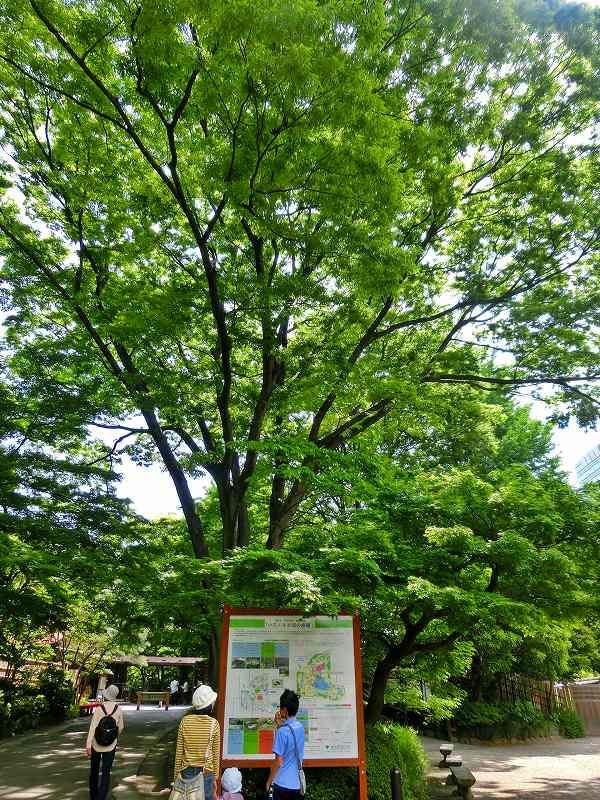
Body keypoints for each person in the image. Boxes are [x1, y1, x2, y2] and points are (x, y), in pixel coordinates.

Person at [173, 684, 220, 799]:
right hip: (206, 772)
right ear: (210, 704)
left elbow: (179, 752)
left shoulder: (185, 721)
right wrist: (215, 777)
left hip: (187, 772)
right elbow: (215, 754)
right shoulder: (214, 724)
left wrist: (176, 777)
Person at [86, 684, 124, 800]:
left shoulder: (99, 709)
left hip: (96, 745)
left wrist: (88, 745)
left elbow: (93, 727)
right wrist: (113, 737)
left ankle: (93, 796)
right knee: (106, 772)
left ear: (106, 695)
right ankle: (101, 797)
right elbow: (121, 727)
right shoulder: (118, 709)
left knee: (94, 771)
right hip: (111, 746)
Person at [266, 690, 305, 800]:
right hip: (296, 784)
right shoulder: (300, 727)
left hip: (281, 784)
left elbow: (278, 762)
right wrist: (280, 726)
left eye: (281, 707)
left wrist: (269, 781)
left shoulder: (282, 732)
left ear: (285, 710)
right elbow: (290, 738)